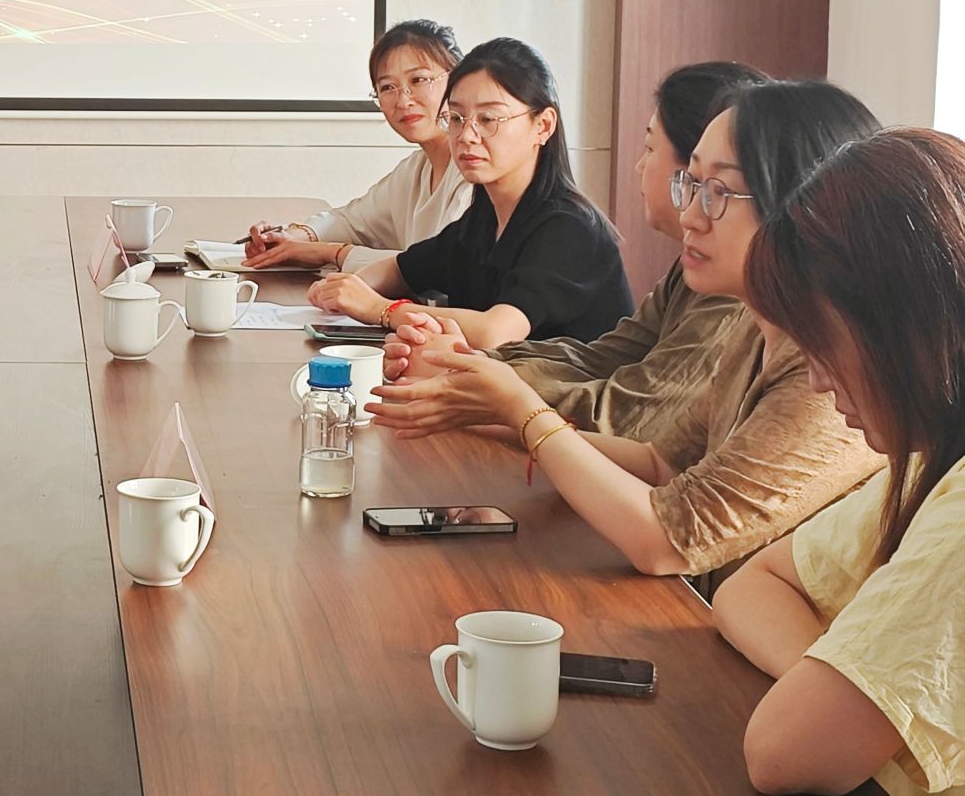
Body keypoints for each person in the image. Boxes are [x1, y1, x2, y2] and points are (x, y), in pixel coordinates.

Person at [372, 79, 883, 586]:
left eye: (719, 193)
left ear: (803, 207)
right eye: (692, 184)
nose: (690, 214)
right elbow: (660, 462)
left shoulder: (831, 375)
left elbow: (669, 541)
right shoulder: (757, 326)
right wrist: (478, 403)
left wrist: (518, 406)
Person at [712, 129, 965, 796]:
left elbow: (783, 750)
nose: (819, 380)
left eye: (824, 343)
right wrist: (845, 679)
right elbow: (750, 584)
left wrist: (841, 695)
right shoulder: (931, 462)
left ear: (905, 321)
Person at [485, 60, 767, 439]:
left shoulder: (733, 292)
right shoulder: (693, 268)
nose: (638, 167)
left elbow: (629, 416)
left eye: (649, 148)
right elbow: (605, 356)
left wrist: (494, 389)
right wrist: (482, 365)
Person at [308, 37, 631, 347]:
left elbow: (496, 331)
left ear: (543, 126)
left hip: (568, 387)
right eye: (457, 118)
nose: (466, 135)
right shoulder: (484, 218)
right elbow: (402, 269)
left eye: (488, 118)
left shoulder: (569, 228)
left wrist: (382, 310)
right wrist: (348, 288)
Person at [241, 19, 472, 271]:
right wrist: (294, 237)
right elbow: (352, 222)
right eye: (387, 87)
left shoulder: (474, 170)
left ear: (457, 80)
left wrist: (331, 253)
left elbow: (435, 269)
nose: (403, 100)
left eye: (418, 80)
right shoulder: (416, 168)